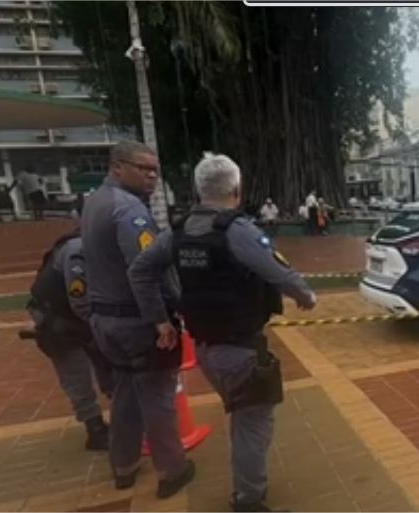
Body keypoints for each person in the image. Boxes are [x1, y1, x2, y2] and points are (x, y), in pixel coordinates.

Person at [129, 153, 317, 512]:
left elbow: (140, 270)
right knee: (252, 427)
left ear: (199, 190)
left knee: (242, 417)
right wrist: (306, 296)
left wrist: (161, 321)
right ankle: (248, 500)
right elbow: (279, 271)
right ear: (236, 188)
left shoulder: (178, 232)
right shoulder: (237, 230)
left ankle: (247, 490)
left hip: (206, 349)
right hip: (241, 351)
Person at [80, 140, 195, 498]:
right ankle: (172, 471)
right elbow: (144, 272)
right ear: (117, 166)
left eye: (155, 170)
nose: (151, 176)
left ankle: (124, 465)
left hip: (106, 322)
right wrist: (161, 319)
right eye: (143, 168)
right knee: (158, 396)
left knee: (127, 393)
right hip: (139, 323)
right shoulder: (129, 210)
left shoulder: (94, 202)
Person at [26, 216, 113, 451]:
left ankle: (119, 410)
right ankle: (94, 428)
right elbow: (80, 299)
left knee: (103, 360)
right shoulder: (78, 250)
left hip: (73, 314)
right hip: (57, 318)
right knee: (75, 372)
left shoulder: (92, 245)